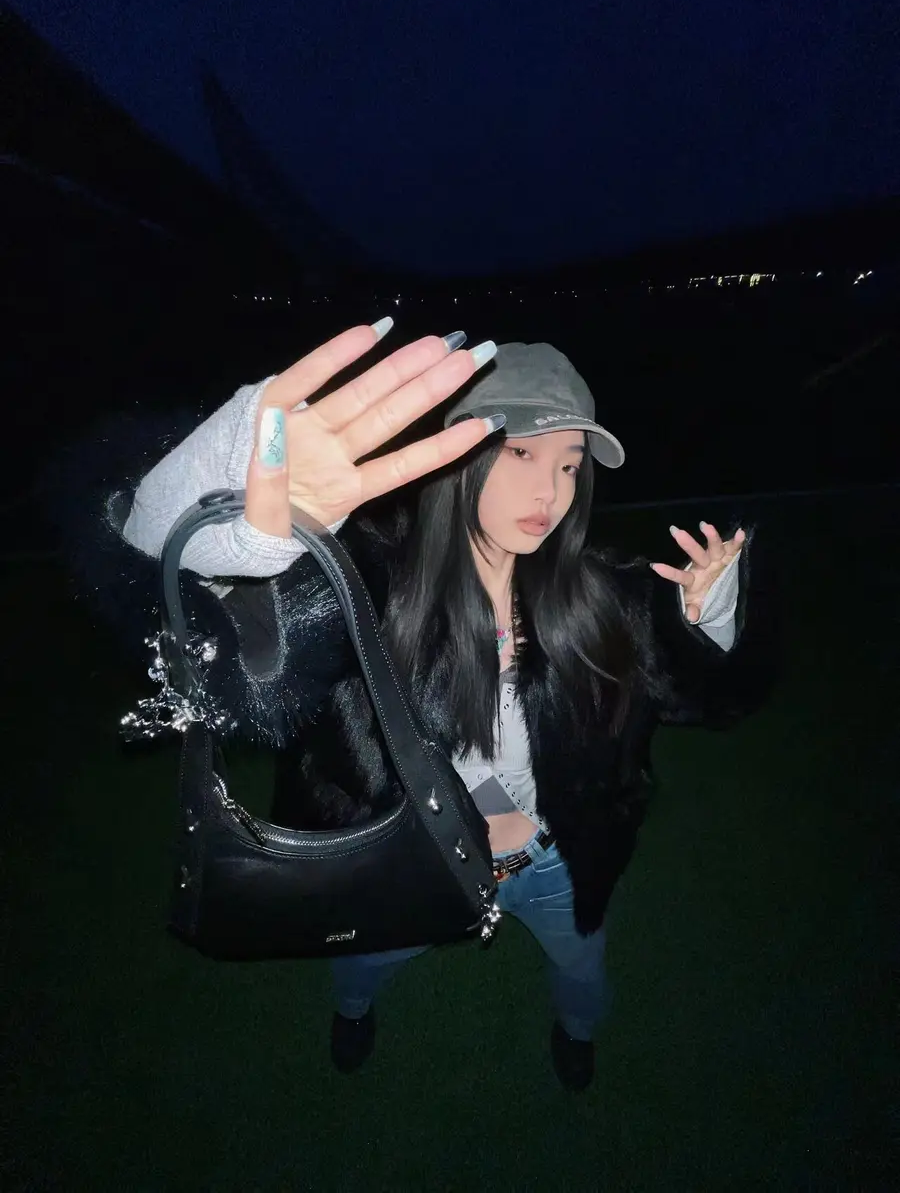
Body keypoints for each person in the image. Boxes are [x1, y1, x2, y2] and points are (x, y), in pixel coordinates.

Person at [69, 319, 773, 1091]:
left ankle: (577, 1032)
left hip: (554, 857)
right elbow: (245, 660)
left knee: (582, 965)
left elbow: (706, 700)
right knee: (364, 960)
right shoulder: (371, 579)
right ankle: (355, 1009)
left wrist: (710, 620)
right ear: (459, 455)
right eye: (522, 454)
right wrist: (224, 535)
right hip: (406, 853)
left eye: (570, 465)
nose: (549, 491)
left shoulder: (604, 592)